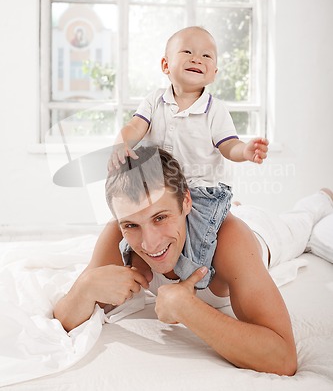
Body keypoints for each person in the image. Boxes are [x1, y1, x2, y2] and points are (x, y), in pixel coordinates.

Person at [53, 146, 333, 376]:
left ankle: (321, 199)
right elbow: (65, 318)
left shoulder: (232, 241)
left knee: (300, 222)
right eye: (131, 225)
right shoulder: (118, 232)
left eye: (160, 218)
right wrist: (85, 287)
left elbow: (283, 359)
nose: (149, 244)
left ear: (186, 201)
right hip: (203, 217)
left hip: (261, 230)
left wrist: (187, 308)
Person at [106, 26, 269, 288]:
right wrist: (121, 143)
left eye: (207, 56)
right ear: (165, 64)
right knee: (140, 227)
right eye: (188, 52)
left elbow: (229, 145)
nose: (197, 59)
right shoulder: (154, 101)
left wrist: (245, 151)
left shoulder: (214, 110)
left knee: (198, 238)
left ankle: (192, 280)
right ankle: (138, 265)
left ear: (214, 73)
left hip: (202, 190)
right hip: (160, 189)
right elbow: (136, 126)